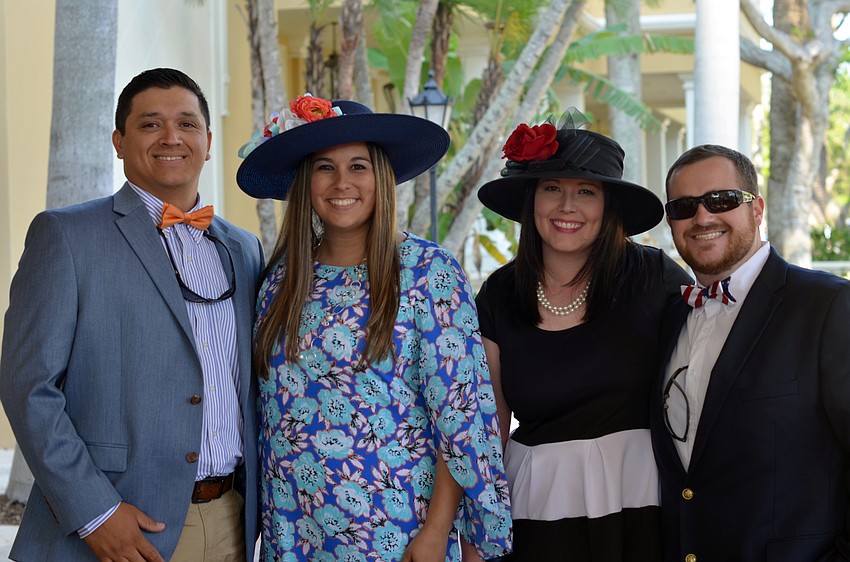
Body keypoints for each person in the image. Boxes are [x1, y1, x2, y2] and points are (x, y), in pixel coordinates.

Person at [0, 68, 263, 561]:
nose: (171, 137)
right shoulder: (66, 236)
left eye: (187, 124)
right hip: (118, 527)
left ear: (208, 143)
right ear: (119, 142)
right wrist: (95, 512)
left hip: (232, 520)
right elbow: (27, 384)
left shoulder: (244, 249)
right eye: (150, 124)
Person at [235, 94, 512, 561]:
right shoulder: (280, 279)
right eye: (325, 167)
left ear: (381, 177)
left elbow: (462, 415)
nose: (342, 182)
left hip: (398, 529)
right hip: (295, 530)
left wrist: (437, 530)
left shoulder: (427, 271)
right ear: (306, 181)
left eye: (358, 166)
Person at [475, 111, 692, 561]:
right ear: (530, 200)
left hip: (640, 498)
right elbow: (487, 425)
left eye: (586, 192)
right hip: (537, 506)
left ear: (608, 206)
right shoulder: (499, 292)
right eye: (552, 188)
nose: (567, 207)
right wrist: (479, 533)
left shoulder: (654, 277)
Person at [650, 144, 850, 561]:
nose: (702, 217)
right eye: (684, 206)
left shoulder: (828, 306)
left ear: (756, 209)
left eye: (721, 200)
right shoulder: (669, 318)